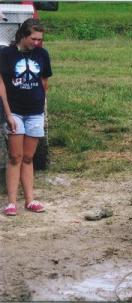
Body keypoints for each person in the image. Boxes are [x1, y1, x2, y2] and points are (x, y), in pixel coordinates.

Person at [0, 18, 52, 216]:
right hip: (14, 111)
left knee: (29, 157)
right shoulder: (6, 54)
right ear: (23, 35)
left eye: (40, 39)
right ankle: (11, 202)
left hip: (35, 112)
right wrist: (7, 112)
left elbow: (44, 81)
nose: (37, 43)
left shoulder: (42, 54)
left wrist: (40, 105)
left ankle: (30, 199)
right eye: (34, 38)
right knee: (15, 156)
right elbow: (1, 84)